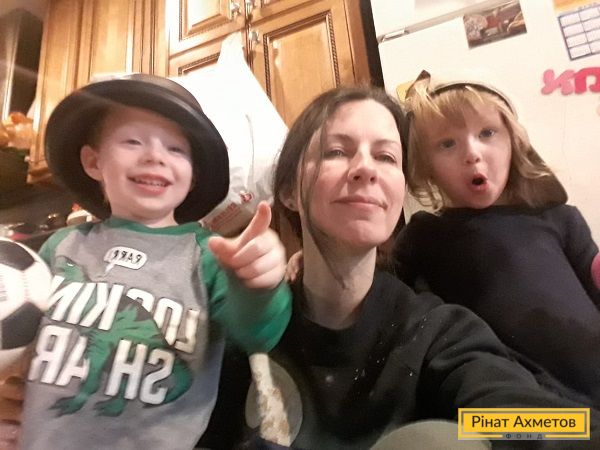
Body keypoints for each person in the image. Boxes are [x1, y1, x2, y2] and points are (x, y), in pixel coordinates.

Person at [201, 85, 600, 450]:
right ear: (289, 190)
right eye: (336, 151)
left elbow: (521, 420)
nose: (367, 168)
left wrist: (574, 431)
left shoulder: (438, 334)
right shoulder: (242, 323)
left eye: (386, 157)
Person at [19, 74, 291, 450]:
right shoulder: (61, 246)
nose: (155, 156)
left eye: (176, 149)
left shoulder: (208, 254)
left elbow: (259, 332)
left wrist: (259, 286)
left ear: (193, 177)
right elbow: (19, 345)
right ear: (93, 161)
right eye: (132, 141)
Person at [395, 70, 600, 407]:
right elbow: (376, 293)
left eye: (487, 133)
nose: (472, 153)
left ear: (513, 142)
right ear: (426, 166)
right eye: (447, 144)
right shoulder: (424, 234)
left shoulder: (561, 218)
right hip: (517, 409)